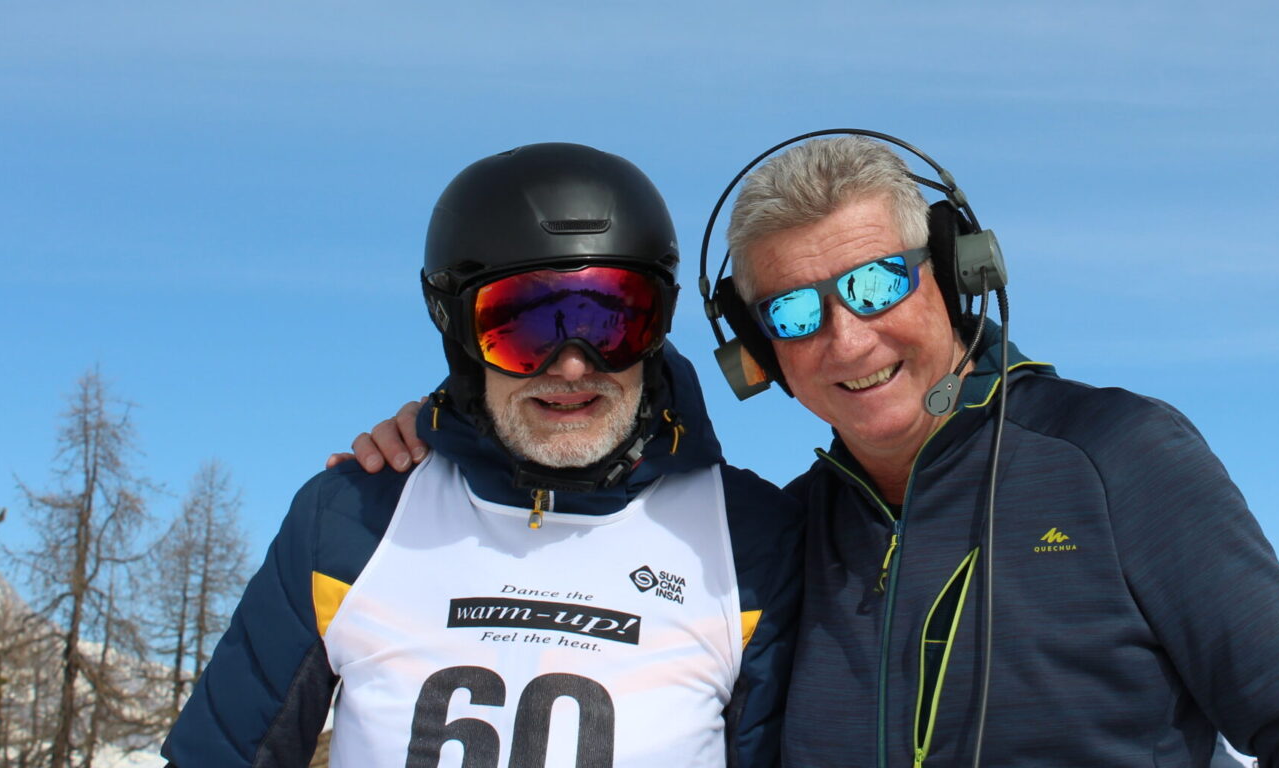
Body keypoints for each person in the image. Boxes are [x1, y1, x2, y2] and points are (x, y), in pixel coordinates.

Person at [347, 134, 1279, 768]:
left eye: (879, 282)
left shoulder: (1117, 456)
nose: (848, 339)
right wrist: (456, 422)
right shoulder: (785, 534)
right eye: (796, 311)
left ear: (953, 271)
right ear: (757, 353)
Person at [166, 143, 802, 768]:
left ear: (658, 325)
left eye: (612, 323)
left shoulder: (748, 539)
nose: (572, 366)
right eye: (523, 329)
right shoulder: (351, 520)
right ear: (459, 332)